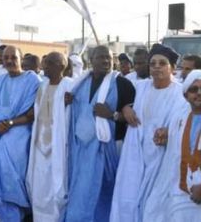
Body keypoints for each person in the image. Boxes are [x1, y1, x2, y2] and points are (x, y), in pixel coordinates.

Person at [111, 43, 188, 222]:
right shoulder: (140, 87)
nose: (156, 67)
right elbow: (123, 100)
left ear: (172, 68)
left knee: (155, 205)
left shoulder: (180, 93)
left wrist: (170, 132)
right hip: (137, 154)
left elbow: (186, 122)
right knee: (129, 197)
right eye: (152, 64)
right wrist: (126, 108)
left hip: (163, 157)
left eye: (162, 63)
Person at [64, 45, 135, 222]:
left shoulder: (123, 84)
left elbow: (134, 120)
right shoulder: (79, 84)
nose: (105, 61)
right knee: (80, 194)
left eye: (109, 58)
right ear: (90, 60)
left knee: (104, 197)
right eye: (101, 57)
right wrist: (66, 103)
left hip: (108, 152)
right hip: (80, 152)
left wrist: (112, 115)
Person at [0, 45, 41, 221]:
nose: (9, 61)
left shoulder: (33, 80)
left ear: (21, 58)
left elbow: (33, 111)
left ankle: (13, 214)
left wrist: (11, 123)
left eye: (13, 57)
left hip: (20, 136)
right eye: (5, 58)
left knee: (13, 176)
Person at [142, 70, 201, 221]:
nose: (199, 93)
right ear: (186, 95)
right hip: (180, 193)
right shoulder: (180, 116)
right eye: (194, 90)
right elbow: (182, 143)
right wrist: (166, 135)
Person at [26, 52, 73, 221]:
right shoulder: (42, 86)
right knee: (40, 184)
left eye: (50, 63)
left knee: (56, 186)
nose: (44, 66)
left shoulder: (70, 86)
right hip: (39, 144)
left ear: (61, 66)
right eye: (45, 63)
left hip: (58, 146)